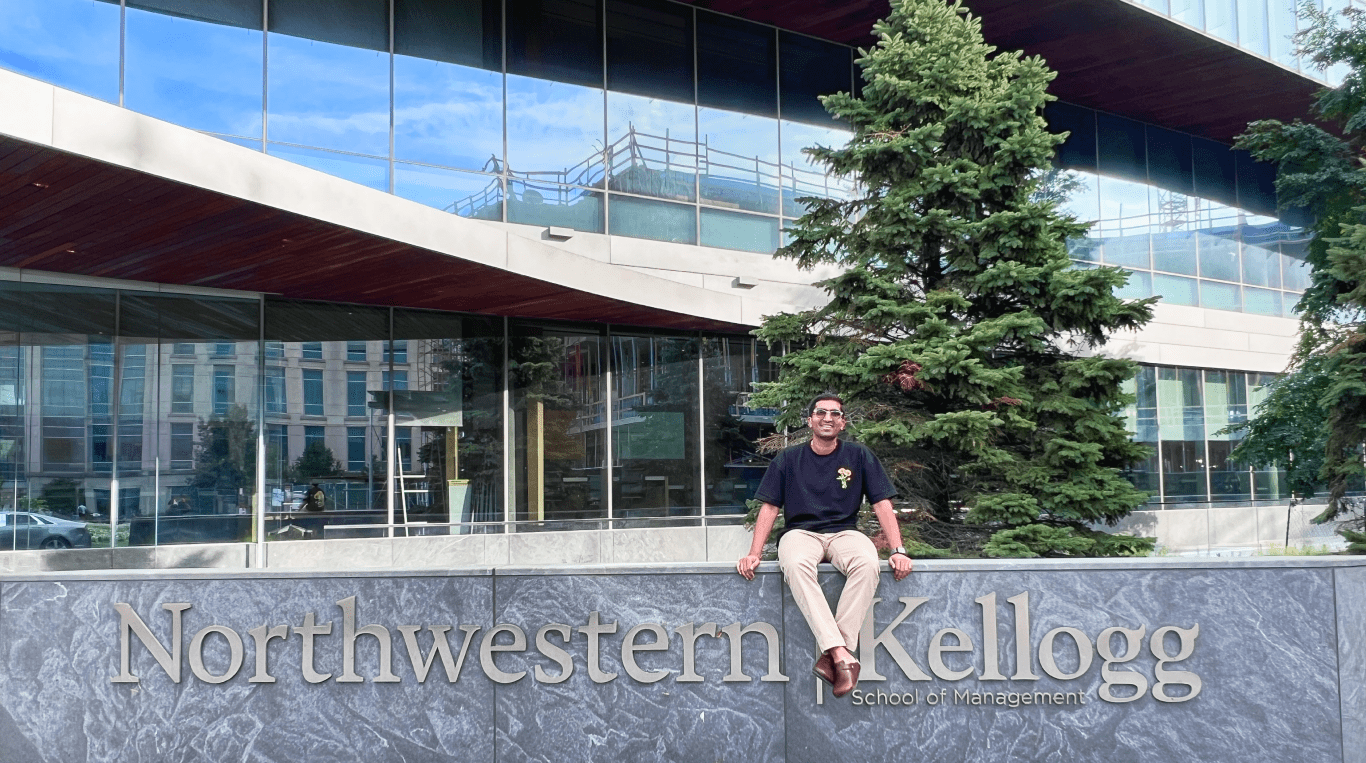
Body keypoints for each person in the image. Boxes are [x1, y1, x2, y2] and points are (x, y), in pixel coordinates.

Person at [736, 393, 912, 698]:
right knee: (793, 563)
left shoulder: (859, 456)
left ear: (842, 423)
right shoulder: (788, 460)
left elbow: (882, 503)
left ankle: (833, 653)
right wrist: (754, 553)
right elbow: (769, 508)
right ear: (810, 421)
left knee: (868, 563)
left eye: (834, 414)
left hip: (845, 532)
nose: (827, 418)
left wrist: (898, 550)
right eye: (820, 413)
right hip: (800, 532)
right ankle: (843, 656)